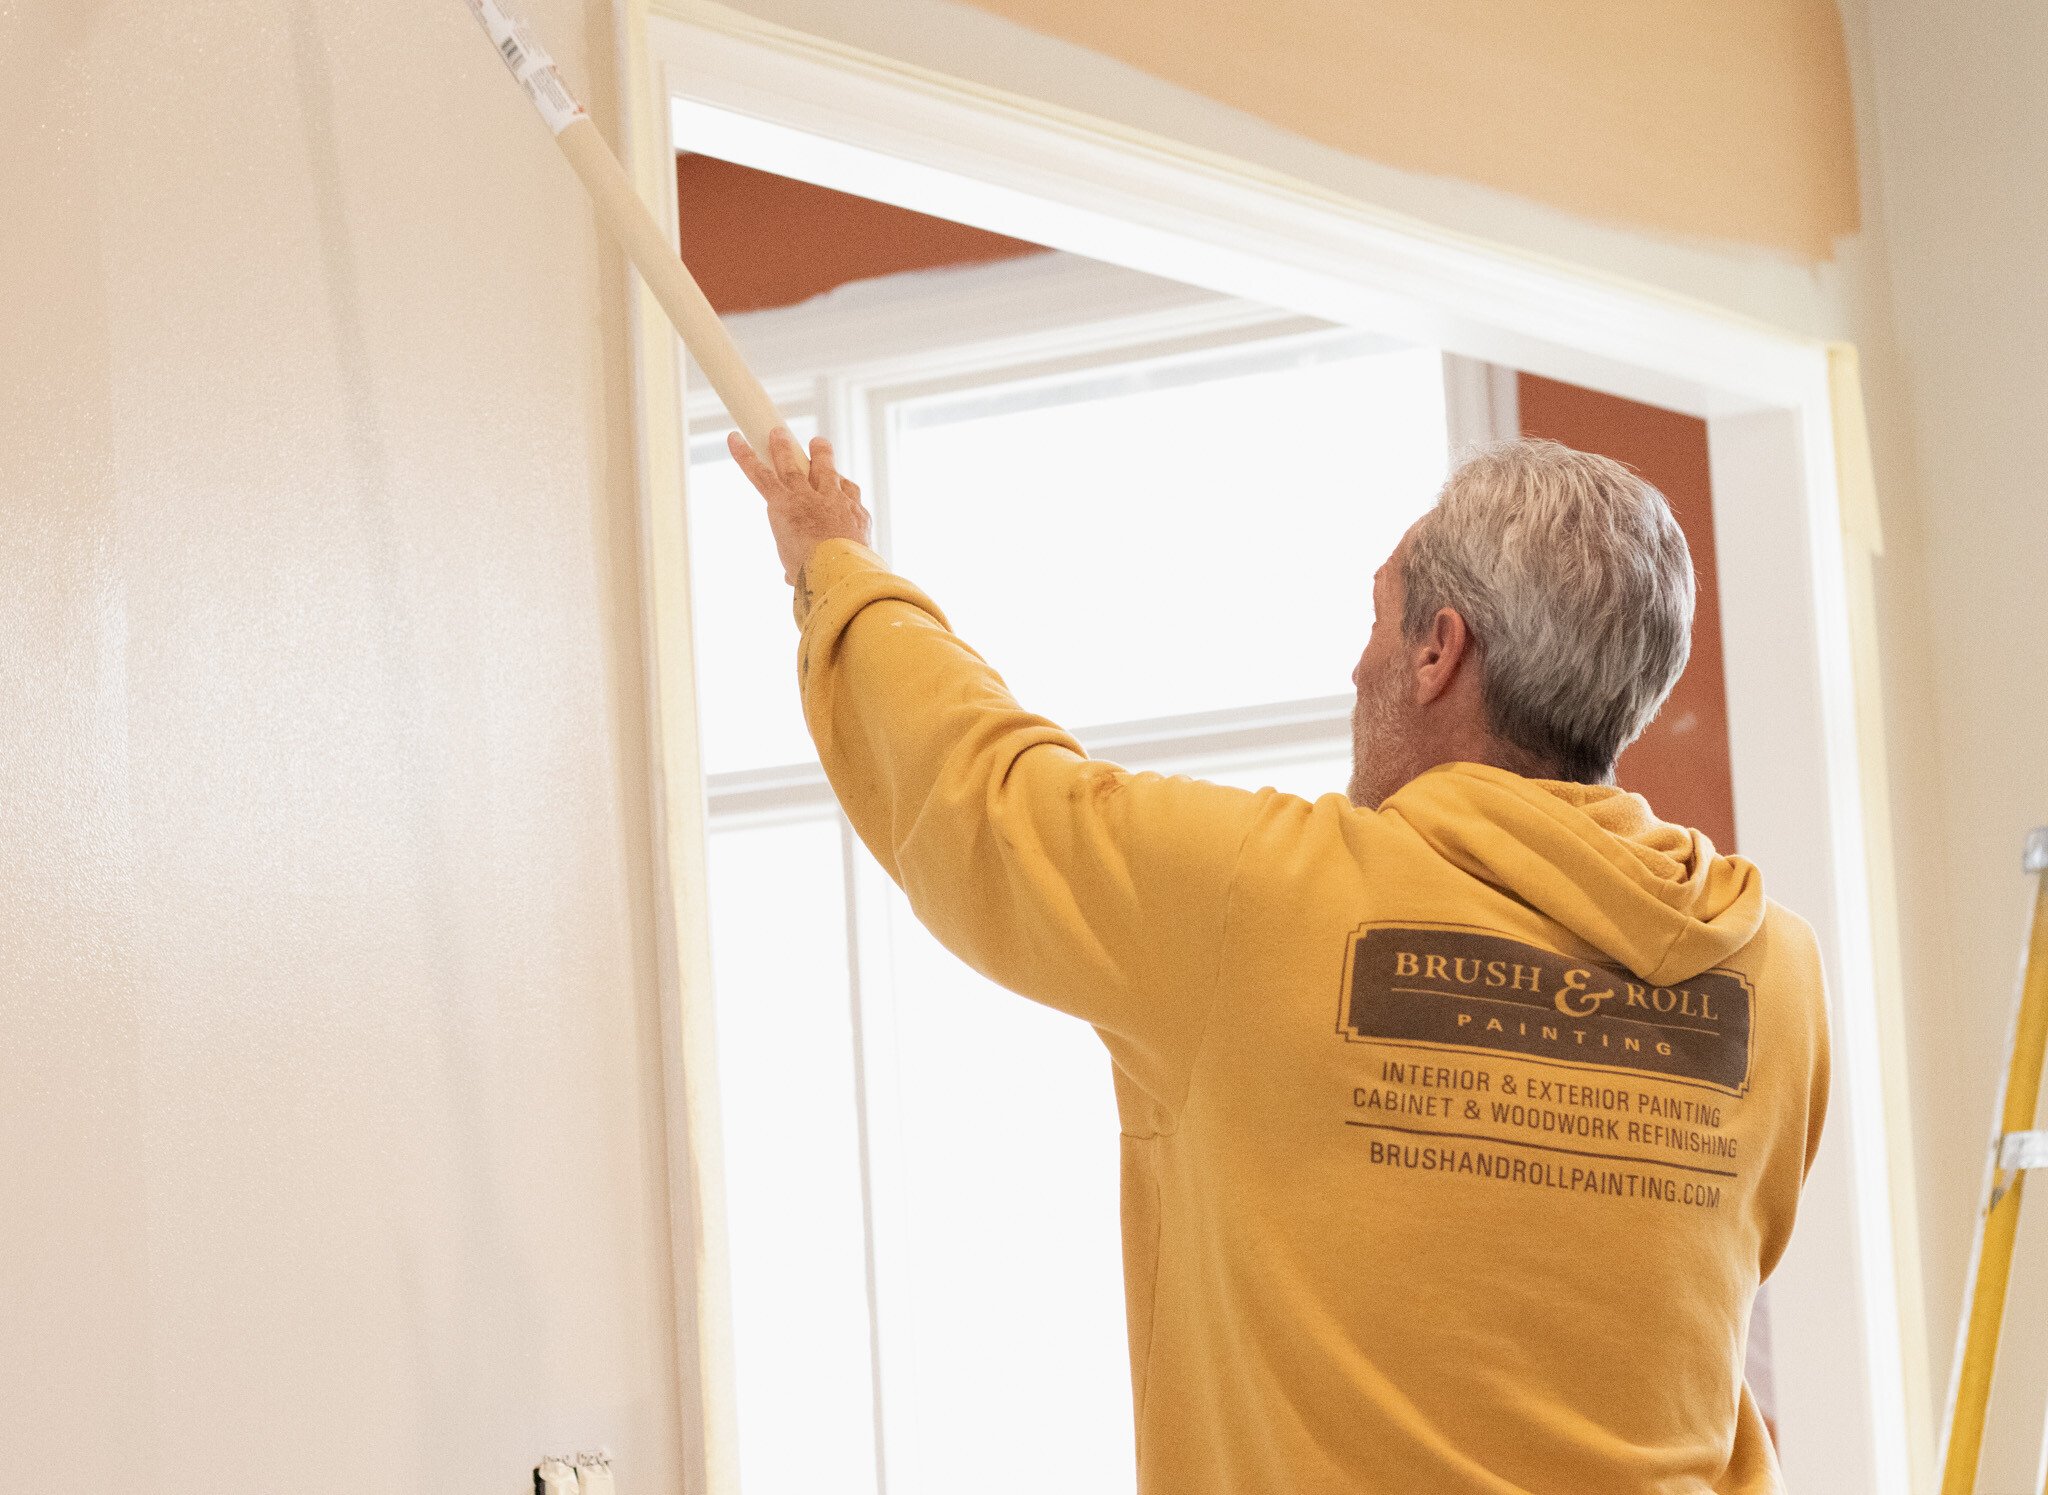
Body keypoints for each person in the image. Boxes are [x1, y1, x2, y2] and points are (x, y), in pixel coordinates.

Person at [727, 426, 1829, 1494]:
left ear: (1440, 651)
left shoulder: (1261, 903)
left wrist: (838, 568)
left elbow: (979, 788)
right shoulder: (1768, 976)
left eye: (1378, 617)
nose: (1359, 664)